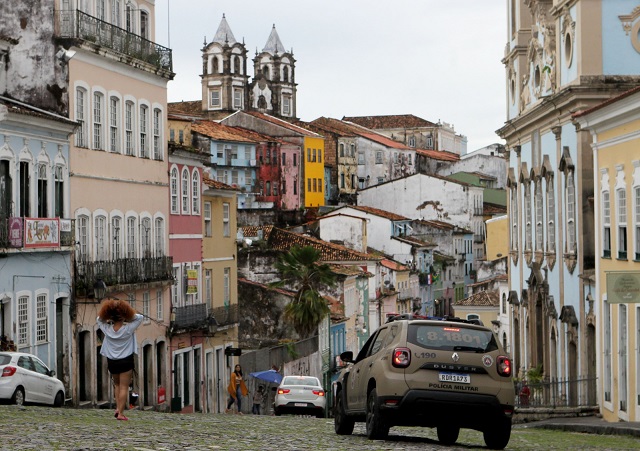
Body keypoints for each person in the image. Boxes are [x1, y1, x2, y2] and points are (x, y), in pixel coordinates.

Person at [97, 299, 143, 421]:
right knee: (124, 387)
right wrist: (126, 315)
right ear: (124, 316)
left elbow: (99, 319)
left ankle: (118, 408)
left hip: (112, 361)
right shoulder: (128, 329)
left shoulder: (107, 330)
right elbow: (139, 317)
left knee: (117, 385)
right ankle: (121, 413)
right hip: (126, 360)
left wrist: (109, 315)